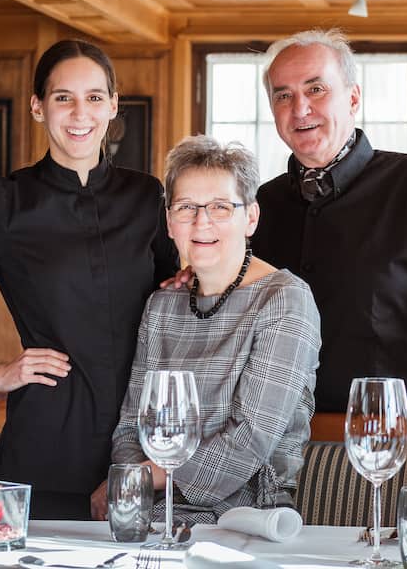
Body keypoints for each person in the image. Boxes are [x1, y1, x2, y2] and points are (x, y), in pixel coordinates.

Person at [0, 39, 178, 519]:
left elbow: (179, 298)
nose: (79, 112)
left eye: (94, 97)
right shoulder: (8, 203)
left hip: (143, 440)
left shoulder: (147, 196)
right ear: (38, 107)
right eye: (63, 97)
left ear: (112, 105)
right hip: (48, 441)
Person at [253, 29, 407, 479]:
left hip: (403, 444)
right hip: (281, 449)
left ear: (352, 98)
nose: (301, 109)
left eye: (316, 88)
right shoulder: (262, 205)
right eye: (283, 95)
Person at [90, 135, 321, 524]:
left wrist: (139, 479)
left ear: (250, 218)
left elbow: (249, 441)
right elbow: (131, 426)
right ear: (169, 222)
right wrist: (133, 492)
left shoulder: (285, 299)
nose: (202, 222)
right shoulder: (162, 306)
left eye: (220, 206)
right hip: (150, 514)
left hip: (244, 520)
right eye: (186, 207)